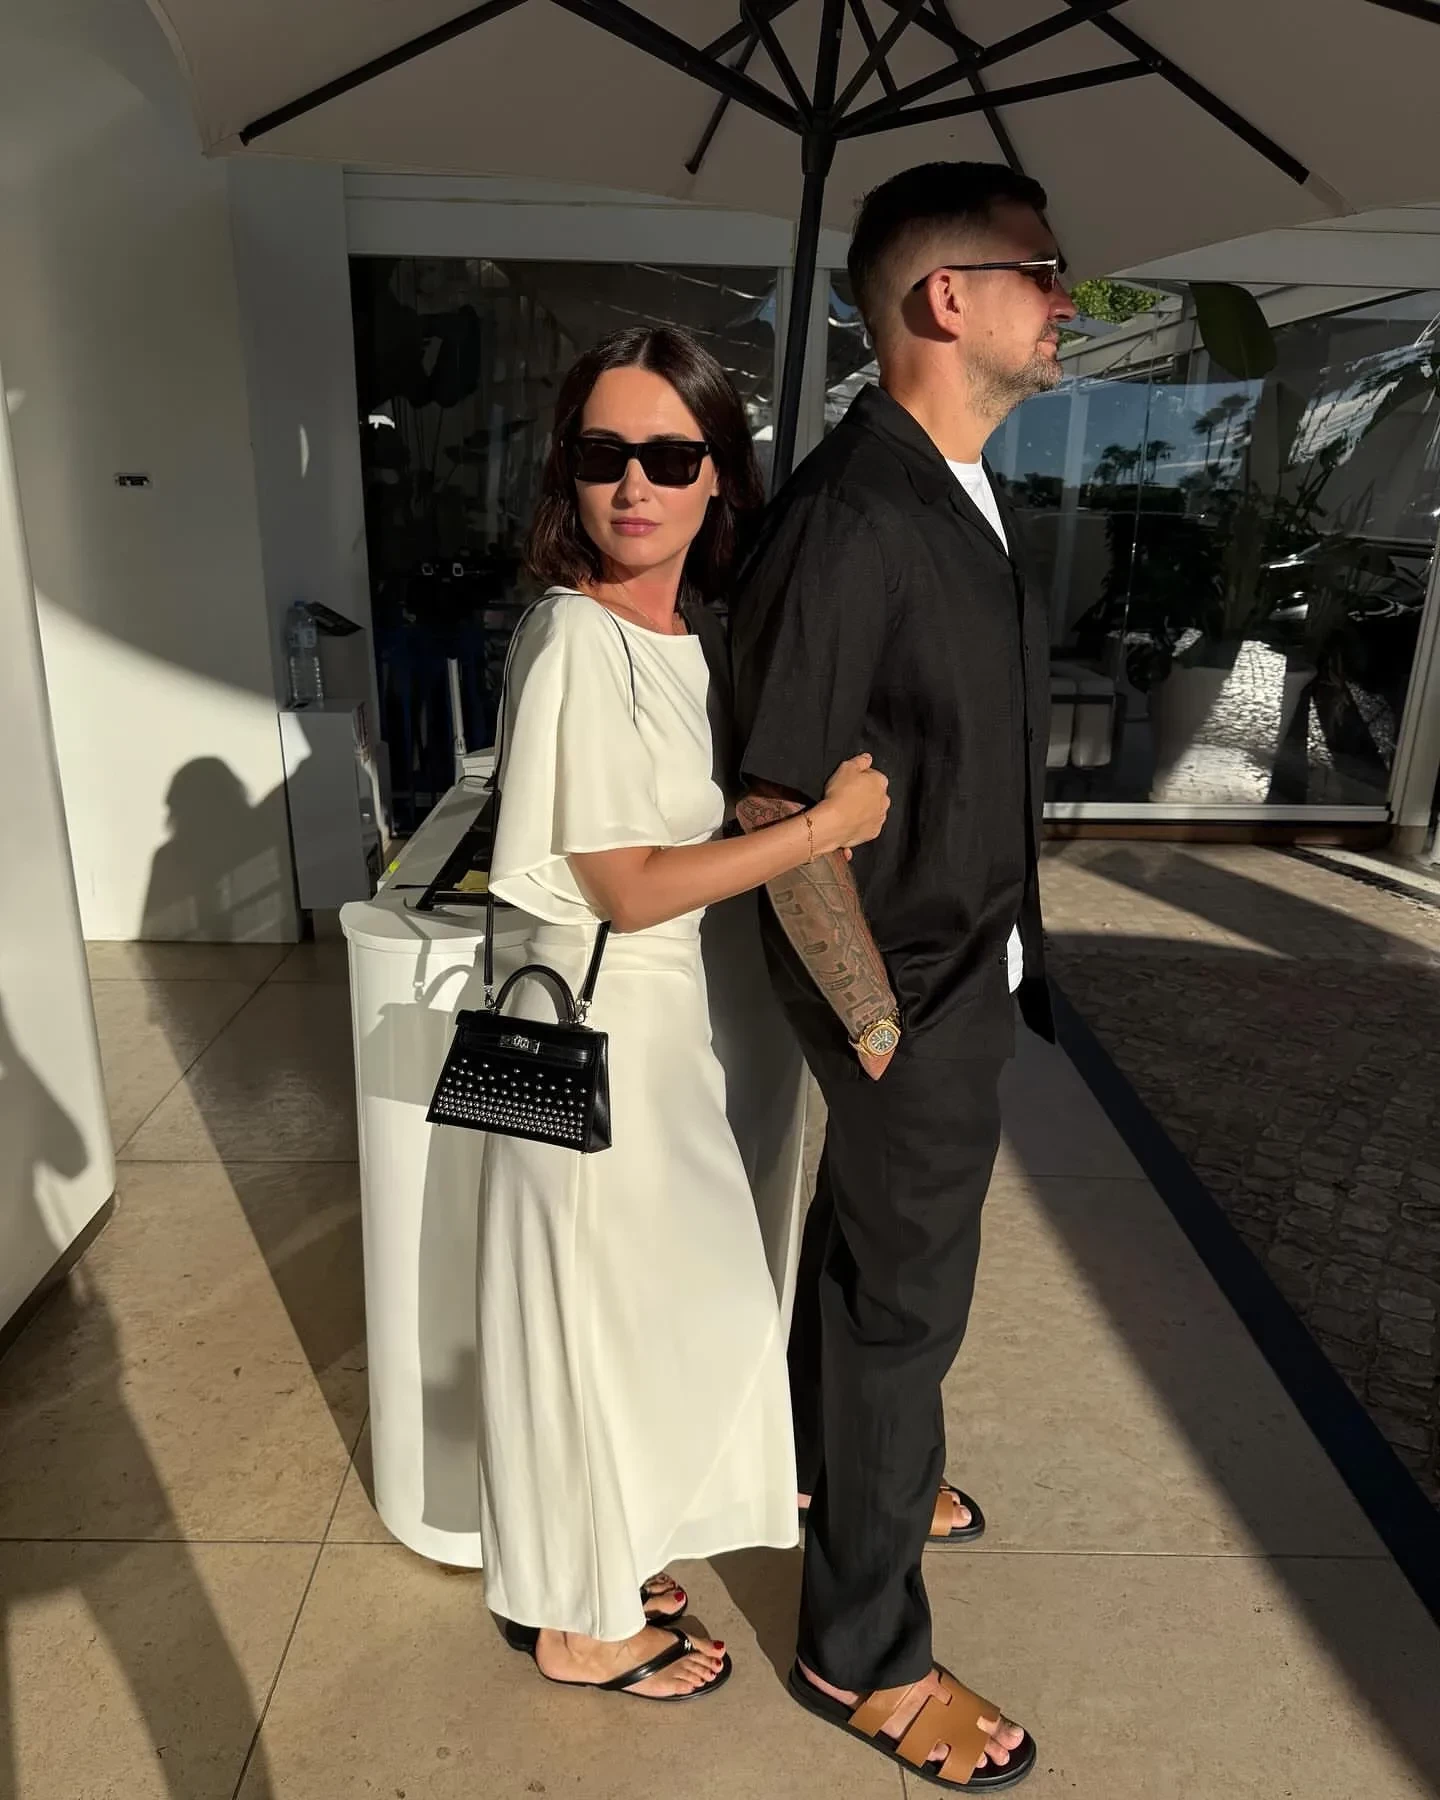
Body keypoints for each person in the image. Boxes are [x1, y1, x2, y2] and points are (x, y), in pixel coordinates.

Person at [477, 325, 891, 1704]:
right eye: (605, 454)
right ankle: (577, 1622)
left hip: (666, 1041)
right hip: (597, 1033)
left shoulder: (688, 641)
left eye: (670, 455)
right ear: (568, 470)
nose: (635, 485)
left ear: (721, 475)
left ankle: (608, 1551)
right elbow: (626, 884)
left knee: (647, 1316)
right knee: (584, 1321)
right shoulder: (574, 638)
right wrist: (823, 828)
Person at [730, 162, 1077, 1787]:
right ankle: (860, 1653)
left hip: (958, 966)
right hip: (909, 992)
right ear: (949, 296)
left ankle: (836, 1469)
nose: (1066, 302)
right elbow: (776, 801)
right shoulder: (853, 515)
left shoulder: (955, 488)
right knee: (905, 1309)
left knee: (867, 1265)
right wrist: (877, 1024)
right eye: (1045, 271)